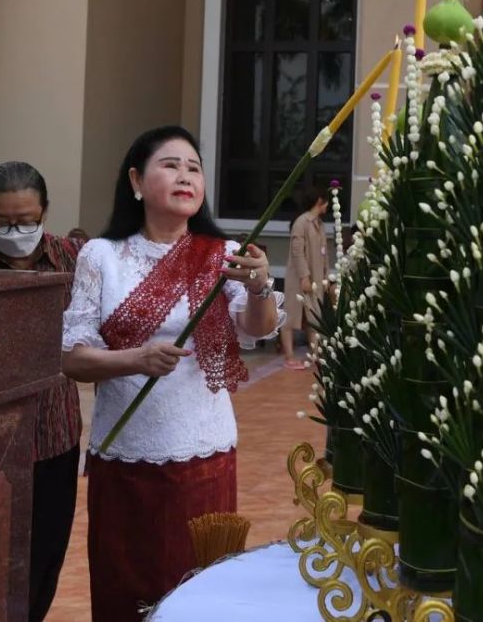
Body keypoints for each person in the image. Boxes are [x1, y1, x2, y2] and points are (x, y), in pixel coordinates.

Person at [61, 125, 284, 621]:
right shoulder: (101, 256)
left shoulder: (221, 255)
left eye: (194, 167)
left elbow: (256, 328)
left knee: (199, 589)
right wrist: (136, 359)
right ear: (137, 181)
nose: (185, 175)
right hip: (125, 458)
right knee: (127, 585)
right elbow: (73, 357)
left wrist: (262, 285)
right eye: (171, 164)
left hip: (204, 455)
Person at [0, 161, 83, 622]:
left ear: (45, 212)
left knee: (45, 559)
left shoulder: (74, 259)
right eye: (2, 223)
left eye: (26, 221)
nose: (15, 231)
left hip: (54, 438)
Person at [282, 185, 330, 370]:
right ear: (319, 201)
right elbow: (297, 252)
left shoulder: (319, 223)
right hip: (299, 278)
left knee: (314, 317)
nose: (327, 206)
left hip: (316, 278)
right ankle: (289, 357)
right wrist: (304, 276)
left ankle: (316, 355)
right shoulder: (301, 222)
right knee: (291, 316)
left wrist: (325, 277)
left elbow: (324, 253)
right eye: (325, 202)